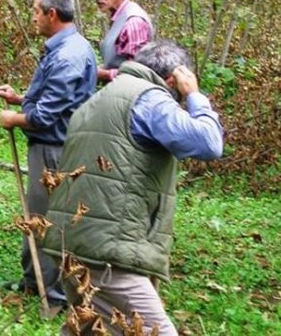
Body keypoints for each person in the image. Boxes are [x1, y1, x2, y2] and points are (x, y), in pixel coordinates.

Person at [42, 39, 223, 335]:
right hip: (108, 254)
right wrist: (195, 95)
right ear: (172, 78)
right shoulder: (151, 100)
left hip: (70, 242)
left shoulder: (100, 99)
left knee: (91, 329)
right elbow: (208, 143)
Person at [0, 0, 97, 307]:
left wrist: (14, 117)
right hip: (54, 145)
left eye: (36, 12)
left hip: (55, 150)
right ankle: (33, 280)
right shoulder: (67, 47)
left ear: (52, 14)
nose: (34, 18)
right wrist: (20, 99)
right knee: (41, 217)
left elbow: (45, 116)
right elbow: (59, 101)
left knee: (45, 221)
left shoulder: (68, 55)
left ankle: (51, 293)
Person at [86, 0, 153, 83]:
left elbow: (139, 73)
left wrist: (104, 74)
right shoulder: (119, 17)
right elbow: (117, 61)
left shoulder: (133, 22)